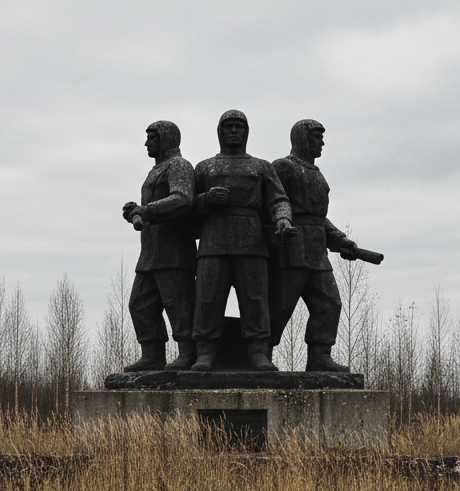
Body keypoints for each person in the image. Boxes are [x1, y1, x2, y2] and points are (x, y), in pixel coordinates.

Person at [191, 111, 295, 371]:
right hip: (213, 240)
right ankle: (205, 351)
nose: (234, 131)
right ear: (220, 131)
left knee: (255, 299)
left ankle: (258, 351)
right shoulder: (204, 167)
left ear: (247, 131)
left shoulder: (260, 166)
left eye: (239, 126)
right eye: (229, 127)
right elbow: (187, 207)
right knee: (207, 298)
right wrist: (206, 199)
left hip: (252, 240)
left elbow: (279, 199)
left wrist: (283, 220)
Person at [269, 119, 359, 372]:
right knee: (278, 307)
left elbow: (319, 219)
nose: (322, 142)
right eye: (317, 136)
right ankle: (261, 354)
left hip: (317, 254)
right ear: (301, 138)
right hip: (290, 251)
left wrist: (340, 239)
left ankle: (320, 356)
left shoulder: (319, 177)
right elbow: (272, 204)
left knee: (329, 304)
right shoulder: (283, 167)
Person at [121, 121, 197, 371]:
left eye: (151, 137)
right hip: (151, 253)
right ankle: (152, 355)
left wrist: (148, 211)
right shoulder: (155, 171)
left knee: (179, 304)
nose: (146, 143)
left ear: (165, 139)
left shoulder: (179, 166)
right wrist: (135, 211)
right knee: (140, 304)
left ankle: (188, 353)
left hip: (174, 252)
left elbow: (182, 199)